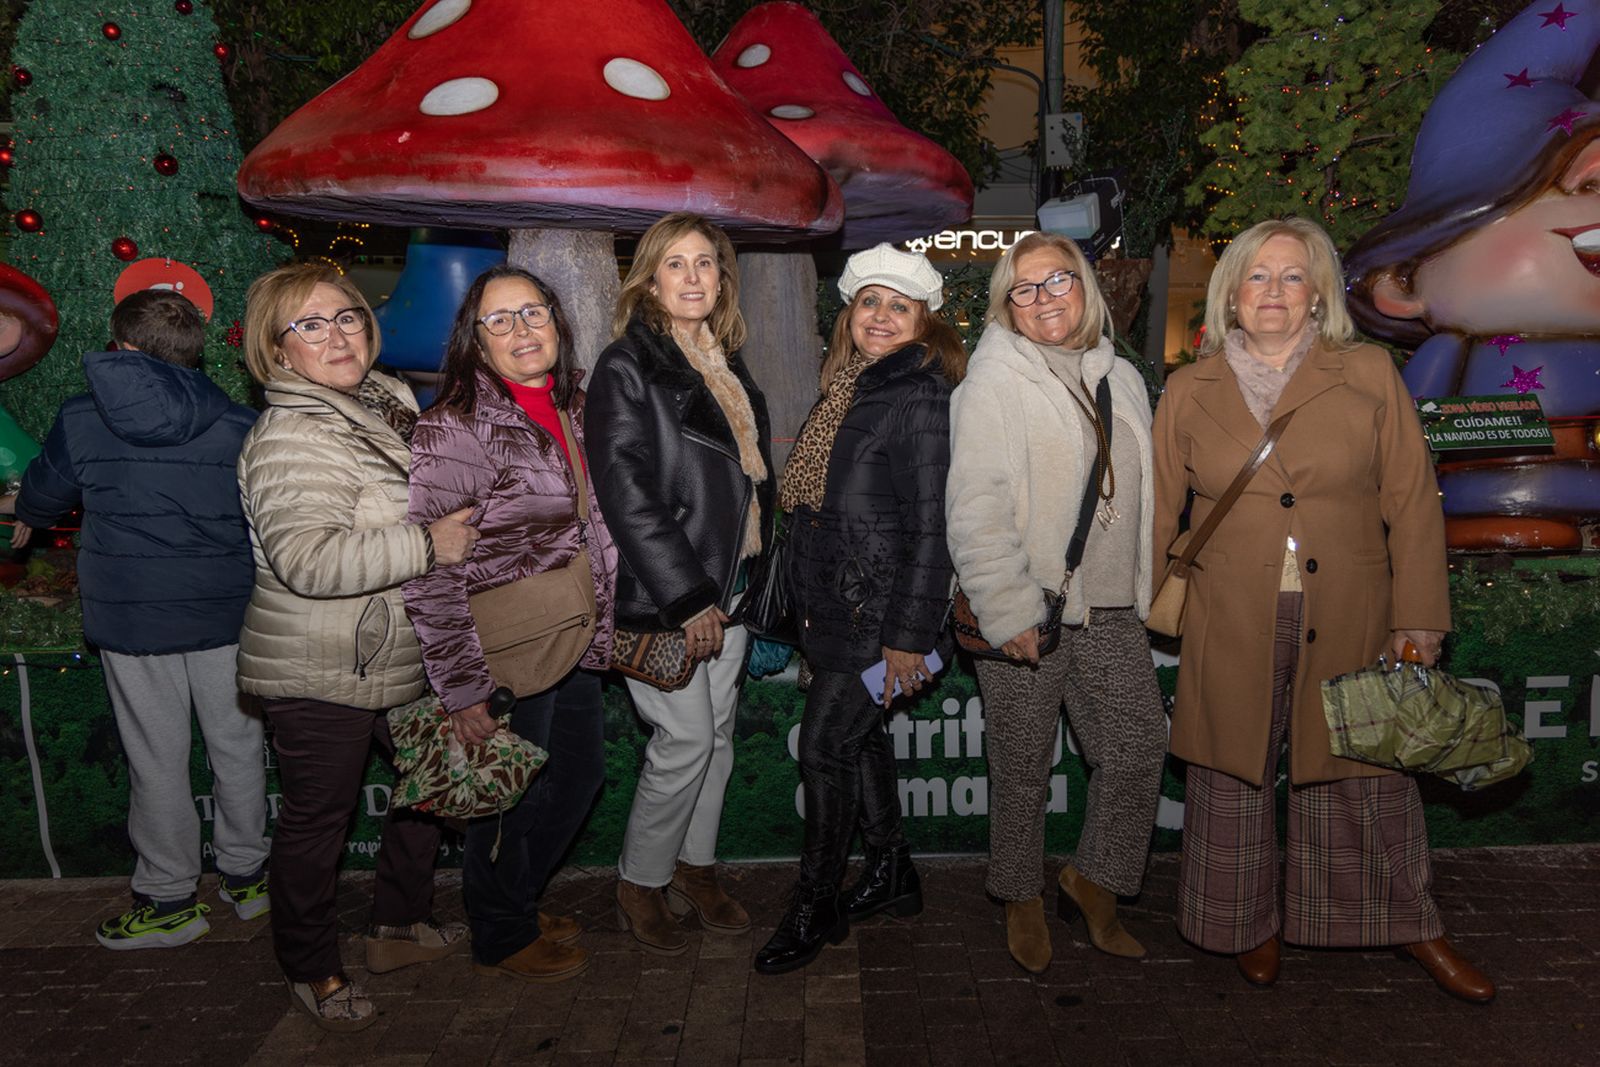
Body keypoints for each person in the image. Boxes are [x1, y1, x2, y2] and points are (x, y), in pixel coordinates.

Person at [1152, 216, 1494, 1003]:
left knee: (1364, 772)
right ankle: (1245, 924)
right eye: (1258, 275)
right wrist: (1141, 603)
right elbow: (1160, 511)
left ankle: (1410, 923)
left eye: (1292, 275)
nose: (1274, 290)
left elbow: (1412, 502)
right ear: (1232, 293)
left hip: (1351, 607)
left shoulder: (1370, 372)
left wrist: (1420, 619)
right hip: (1228, 613)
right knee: (1230, 775)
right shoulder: (1186, 388)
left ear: (1316, 296)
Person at [236, 263, 479, 1031]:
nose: (335, 334)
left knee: (428, 785)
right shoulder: (292, 434)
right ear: (277, 350)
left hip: (400, 649)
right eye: (309, 324)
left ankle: (397, 928)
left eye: (345, 316)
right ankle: (311, 968)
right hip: (318, 663)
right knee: (318, 824)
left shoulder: (386, 400)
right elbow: (308, 559)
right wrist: (428, 545)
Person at [11, 289, 267, 950]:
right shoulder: (241, 422)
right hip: (227, 611)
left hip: (133, 616)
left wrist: (31, 512)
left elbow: (41, 495)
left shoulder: (81, 417)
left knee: (156, 758)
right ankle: (249, 878)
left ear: (121, 345)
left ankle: (170, 898)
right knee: (237, 747)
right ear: (195, 349)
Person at [945, 232, 1167, 974]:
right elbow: (974, 508)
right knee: (1022, 762)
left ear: (1087, 288)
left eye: (1058, 280)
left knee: (1138, 745)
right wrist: (1005, 611)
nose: (1043, 298)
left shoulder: (1122, 377)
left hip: (1108, 605)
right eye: (1024, 287)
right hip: (1028, 605)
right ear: (1006, 304)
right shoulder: (991, 382)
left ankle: (1094, 880)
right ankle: (1020, 894)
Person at [403, 265, 618, 984]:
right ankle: (499, 930)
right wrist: (461, 686)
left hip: (573, 630)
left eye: (533, 312)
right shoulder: (454, 426)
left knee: (579, 777)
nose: (521, 330)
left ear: (557, 322)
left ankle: (516, 900)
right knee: (504, 795)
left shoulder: (575, 405)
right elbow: (432, 569)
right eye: (500, 319)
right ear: (476, 338)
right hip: (504, 648)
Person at [753, 245, 964, 974]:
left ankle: (815, 902)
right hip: (836, 610)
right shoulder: (848, 383)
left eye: (898, 307)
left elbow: (934, 526)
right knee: (860, 741)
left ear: (923, 323)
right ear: (850, 313)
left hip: (882, 621)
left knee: (823, 749)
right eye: (870, 301)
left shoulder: (920, 394)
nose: (880, 316)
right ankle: (892, 871)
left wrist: (907, 639)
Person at [587, 212, 774, 956]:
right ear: (649, 279)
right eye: (677, 264)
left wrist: (742, 584)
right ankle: (639, 880)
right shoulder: (627, 364)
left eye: (706, 263)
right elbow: (625, 490)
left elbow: (749, 483)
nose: (695, 277)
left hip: (735, 581)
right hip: (672, 589)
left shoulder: (722, 359)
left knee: (719, 737)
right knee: (686, 737)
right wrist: (688, 595)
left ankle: (694, 870)